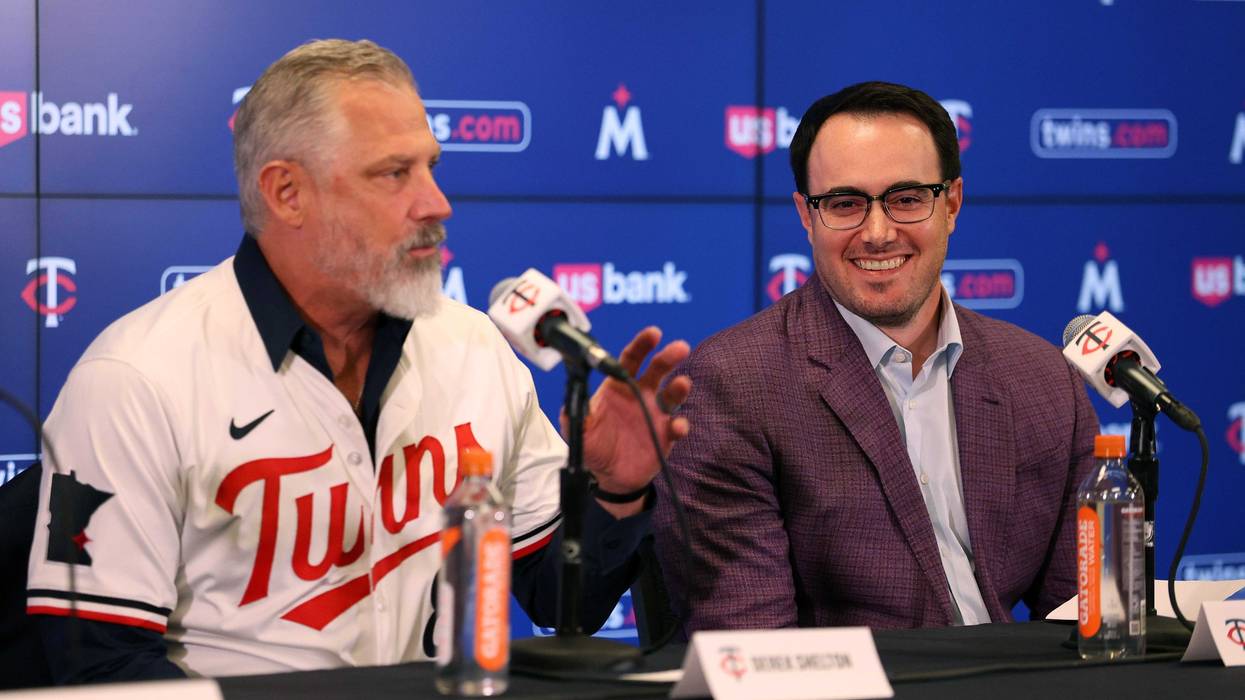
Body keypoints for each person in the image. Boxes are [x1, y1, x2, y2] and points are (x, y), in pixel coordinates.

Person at [25, 39, 691, 681]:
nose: (436, 203)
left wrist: (617, 492)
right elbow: (100, 668)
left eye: (432, 166)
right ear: (287, 193)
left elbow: (562, 605)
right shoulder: (136, 378)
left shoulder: (473, 348)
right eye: (394, 173)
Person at [653, 81, 1097, 633]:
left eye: (907, 198)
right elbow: (754, 654)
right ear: (806, 216)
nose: (879, 232)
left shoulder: (1042, 377)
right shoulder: (732, 384)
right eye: (845, 205)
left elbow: (1089, 621)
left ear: (952, 203)